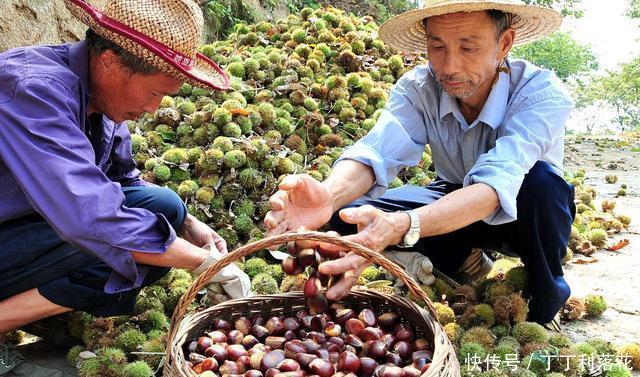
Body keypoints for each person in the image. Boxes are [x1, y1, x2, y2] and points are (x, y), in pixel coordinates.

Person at [265, 0, 575, 330]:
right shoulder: (418, 87)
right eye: (437, 46)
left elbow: (495, 183)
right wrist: (329, 196)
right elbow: (378, 151)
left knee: (543, 185)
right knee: (348, 219)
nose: (450, 65)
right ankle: (462, 260)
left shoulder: (541, 93)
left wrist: (402, 225)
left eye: (468, 47)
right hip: (449, 200)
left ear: (505, 43)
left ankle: (544, 305)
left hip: (522, 212)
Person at [0, 0, 250, 375]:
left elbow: (124, 181)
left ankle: (23, 312)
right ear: (111, 62)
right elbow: (88, 217)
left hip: (22, 232)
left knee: (162, 209)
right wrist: (203, 263)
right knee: (128, 237)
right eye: (153, 93)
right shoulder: (35, 89)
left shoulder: (103, 103)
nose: (154, 108)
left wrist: (188, 224)